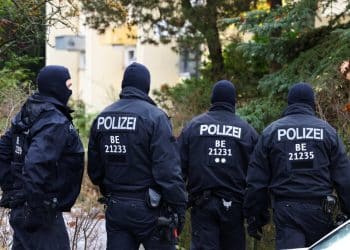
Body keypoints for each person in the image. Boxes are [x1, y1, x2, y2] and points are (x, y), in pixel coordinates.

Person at [88, 62, 187, 250]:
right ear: (146, 86)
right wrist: (179, 207)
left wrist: (112, 191)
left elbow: (94, 171)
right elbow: (168, 172)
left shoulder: (102, 118)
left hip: (116, 206)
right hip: (152, 211)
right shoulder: (156, 118)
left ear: (123, 85)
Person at [244, 82, 350, 249]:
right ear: (312, 103)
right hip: (320, 211)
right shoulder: (328, 132)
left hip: (286, 211)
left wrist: (255, 216)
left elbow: (256, 181)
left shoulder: (271, 133)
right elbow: (344, 179)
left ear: (290, 103)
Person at [0, 65, 84, 249]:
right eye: (68, 84)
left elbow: (4, 151)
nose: (70, 90)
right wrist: (37, 207)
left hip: (23, 208)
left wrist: (14, 191)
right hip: (40, 213)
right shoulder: (53, 121)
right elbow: (36, 164)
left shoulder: (28, 113)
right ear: (56, 87)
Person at [178, 80, 259, 250]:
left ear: (213, 100)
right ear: (233, 102)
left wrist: (177, 208)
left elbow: (177, 170)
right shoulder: (247, 131)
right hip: (234, 209)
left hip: (202, 207)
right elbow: (257, 178)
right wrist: (255, 215)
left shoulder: (193, 128)